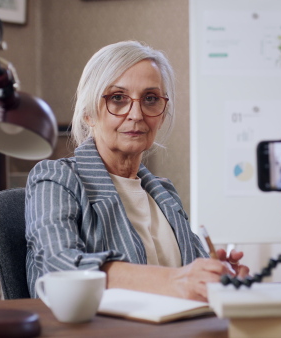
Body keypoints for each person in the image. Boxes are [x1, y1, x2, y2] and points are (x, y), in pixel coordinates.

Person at [25, 41, 249, 302]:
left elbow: (193, 276)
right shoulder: (55, 179)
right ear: (88, 113)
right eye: (117, 98)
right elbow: (59, 269)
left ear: (162, 114)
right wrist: (177, 280)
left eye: (150, 99)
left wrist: (217, 276)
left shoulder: (163, 192)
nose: (136, 114)